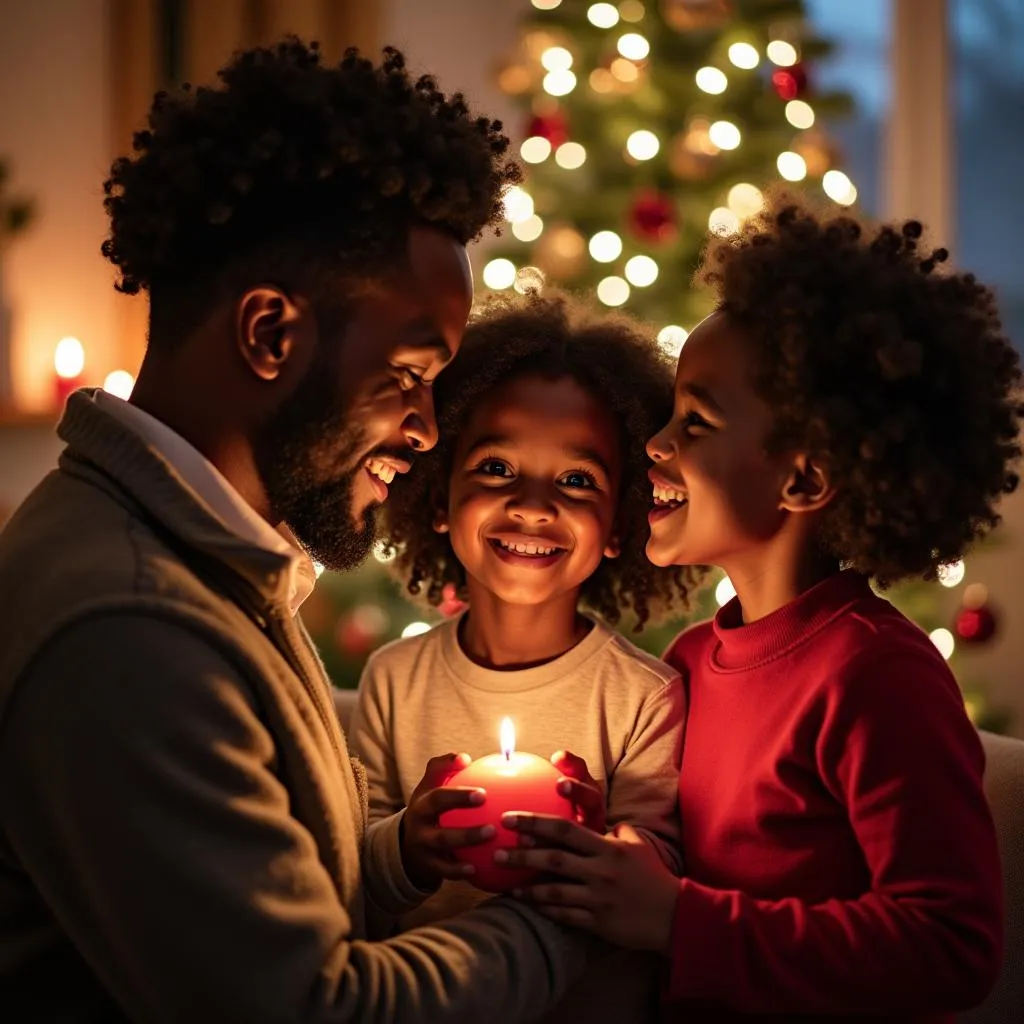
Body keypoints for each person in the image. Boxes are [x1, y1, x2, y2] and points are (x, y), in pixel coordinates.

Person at [0, 38, 596, 1023]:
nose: (425, 431)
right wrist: (566, 912)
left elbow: (270, 895)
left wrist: (401, 853)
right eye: (407, 375)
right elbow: (313, 1006)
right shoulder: (129, 627)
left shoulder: (205, 561)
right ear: (271, 334)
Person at [494, 194, 1020, 1020]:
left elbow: (951, 946)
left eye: (696, 423)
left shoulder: (877, 675)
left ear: (803, 480)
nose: (657, 446)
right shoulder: (691, 661)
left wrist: (676, 918)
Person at [350, 292, 700, 1021]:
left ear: (617, 523)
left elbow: (657, 868)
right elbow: (355, 876)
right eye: (496, 467)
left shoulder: (643, 695)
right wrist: (409, 846)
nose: (533, 505)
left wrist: (600, 847)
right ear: (439, 497)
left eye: (576, 480)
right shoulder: (393, 680)